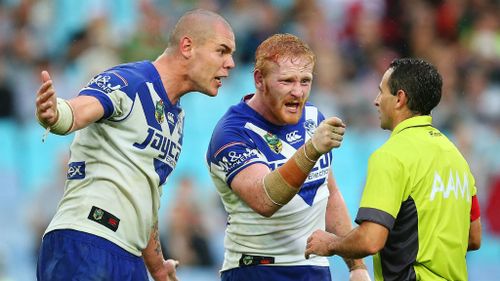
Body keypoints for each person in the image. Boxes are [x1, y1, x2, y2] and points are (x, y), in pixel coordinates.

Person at [35, 9, 235, 281]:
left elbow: (148, 198)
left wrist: (157, 268)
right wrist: (55, 113)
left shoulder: (176, 118)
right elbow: (78, 110)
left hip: (128, 258)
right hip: (87, 239)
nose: (231, 63)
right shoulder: (130, 81)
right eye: (222, 51)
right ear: (187, 46)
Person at [206, 33, 371, 281]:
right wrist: (311, 150)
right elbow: (265, 200)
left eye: (305, 81)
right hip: (257, 269)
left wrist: (356, 266)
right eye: (287, 81)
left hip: (314, 268)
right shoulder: (231, 133)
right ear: (259, 79)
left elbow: (329, 194)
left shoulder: (315, 118)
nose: (298, 92)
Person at [305, 58, 482, 280]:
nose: (376, 101)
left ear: (399, 98)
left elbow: (371, 240)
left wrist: (330, 244)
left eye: (381, 92)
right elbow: (474, 237)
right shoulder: (457, 158)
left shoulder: (390, 157)